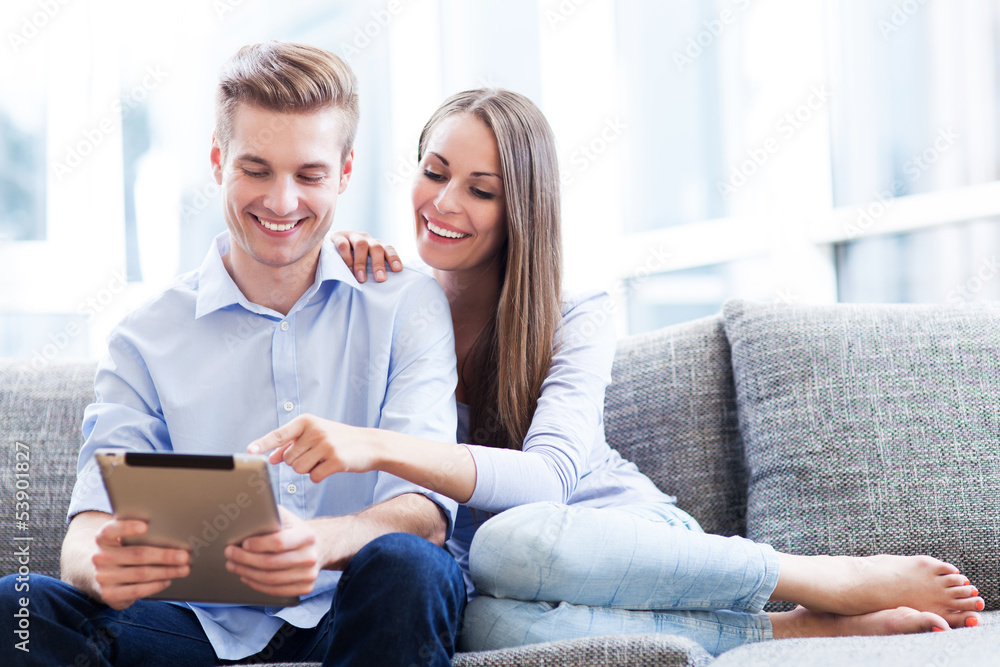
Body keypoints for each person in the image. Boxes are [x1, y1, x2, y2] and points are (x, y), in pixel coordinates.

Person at [246, 88, 985, 657]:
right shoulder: (385, 303)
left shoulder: (576, 310)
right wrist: (329, 268)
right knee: (480, 621)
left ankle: (816, 577)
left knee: (508, 538)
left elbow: (546, 484)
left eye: (480, 188)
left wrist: (373, 444)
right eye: (434, 172)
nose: (443, 203)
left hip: (617, 537)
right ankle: (793, 630)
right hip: (509, 586)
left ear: (521, 206)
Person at [0, 42, 465, 667]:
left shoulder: (406, 306)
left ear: (345, 172)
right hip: (195, 629)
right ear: (218, 161)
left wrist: (314, 543)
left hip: (355, 612)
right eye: (256, 169)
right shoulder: (146, 335)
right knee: (19, 606)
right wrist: (98, 568)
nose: (281, 202)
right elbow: (86, 529)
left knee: (413, 566)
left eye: (309, 175)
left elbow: (424, 514)